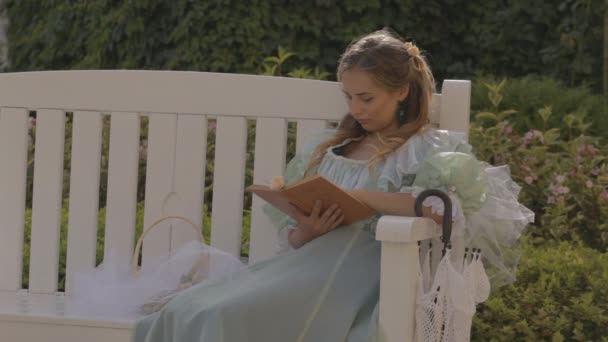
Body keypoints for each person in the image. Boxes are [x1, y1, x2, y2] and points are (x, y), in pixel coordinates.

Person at [134, 29, 533, 342]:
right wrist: (307, 229)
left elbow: (439, 209)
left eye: (367, 98)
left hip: (359, 277)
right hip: (302, 266)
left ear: (401, 92)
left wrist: (361, 198)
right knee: (186, 310)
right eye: (349, 97)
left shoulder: (425, 148)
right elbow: (293, 239)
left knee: (218, 315)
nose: (356, 109)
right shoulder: (332, 149)